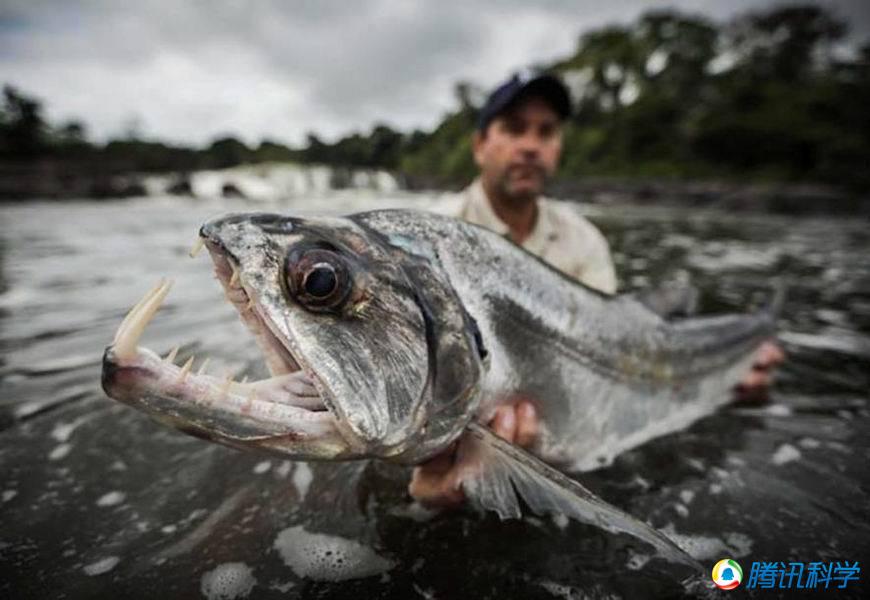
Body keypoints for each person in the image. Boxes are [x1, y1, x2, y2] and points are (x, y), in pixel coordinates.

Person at [410, 72, 784, 508]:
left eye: (546, 132)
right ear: (479, 146)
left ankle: (756, 335)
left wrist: (730, 383)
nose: (531, 145)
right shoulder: (426, 243)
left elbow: (616, 347)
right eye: (514, 128)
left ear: (558, 148)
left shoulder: (585, 240)